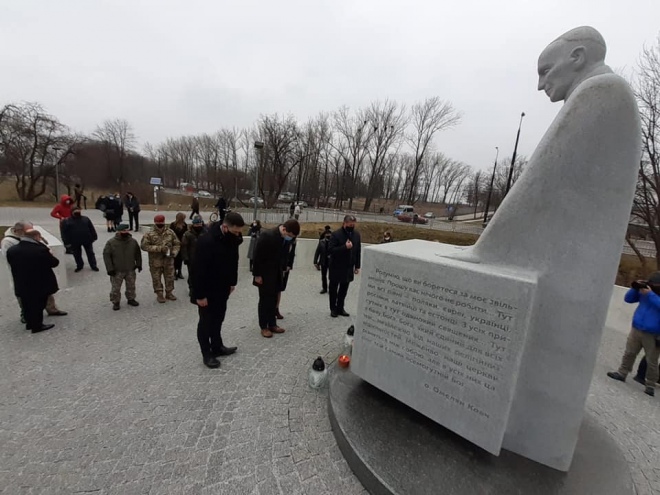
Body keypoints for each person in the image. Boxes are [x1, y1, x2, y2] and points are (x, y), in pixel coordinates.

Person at [191, 212, 244, 368]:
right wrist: (199, 295)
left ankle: (217, 346)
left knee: (219, 318)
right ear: (225, 227)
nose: (238, 234)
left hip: (223, 288)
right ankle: (207, 354)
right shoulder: (206, 241)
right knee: (206, 322)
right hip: (207, 290)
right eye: (236, 231)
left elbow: (234, 260)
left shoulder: (232, 238)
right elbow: (197, 270)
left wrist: (232, 282)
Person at [2, 222, 67, 322]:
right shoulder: (8, 241)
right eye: (28, 230)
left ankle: (51, 308)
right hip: (22, 272)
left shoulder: (31, 237)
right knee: (24, 294)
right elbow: (10, 257)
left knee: (45, 289)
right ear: (19, 231)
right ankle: (25, 314)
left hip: (38, 270)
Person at [607, 273, 660, 397]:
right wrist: (635, 289)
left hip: (653, 333)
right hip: (637, 328)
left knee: (651, 360)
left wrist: (650, 295)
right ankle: (622, 373)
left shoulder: (651, 295)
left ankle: (650, 385)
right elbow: (628, 299)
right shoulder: (644, 293)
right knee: (629, 352)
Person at [252, 219, 300, 338]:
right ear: (284, 229)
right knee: (264, 300)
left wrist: (285, 267)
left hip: (277, 272)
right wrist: (257, 275)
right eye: (289, 235)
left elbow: (285, 254)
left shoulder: (286, 238)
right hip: (264, 273)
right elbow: (257, 256)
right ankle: (264, 326)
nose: (290, 238)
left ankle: (272, 323)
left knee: (274, 299)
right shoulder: (267, 235)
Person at [140, 214, 180, 303]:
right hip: (155, 261)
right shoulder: (149, 234)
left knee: (170, 278)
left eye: (161, 222)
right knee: (156, 278)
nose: (160, 224)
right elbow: (144, 246)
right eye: (158, 223)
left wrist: (174, 252)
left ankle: (169, 293)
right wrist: (158, 248)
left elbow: (177, 244)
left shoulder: (170, 232)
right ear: (155, 222)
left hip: (168, 260)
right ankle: (159, 294)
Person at [103, 223, 142, 310]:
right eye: (124, 230)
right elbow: (106, 256)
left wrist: (139, 264)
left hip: (130, 269)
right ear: (119, 231)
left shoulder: (133, 241)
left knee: (131, 286)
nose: (126, 232)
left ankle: (131, 298)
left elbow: (137, 253)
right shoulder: (111, 242)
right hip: (117, 270)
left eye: (127, 230)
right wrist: (109, 268)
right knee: (115, 288)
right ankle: (116, 302)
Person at [328, 215, 361, 318]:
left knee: (344, 290)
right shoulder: (336, 234)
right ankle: (333, 308)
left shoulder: (356, 235)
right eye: (350, 225)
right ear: (344, 223)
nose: (352, 226)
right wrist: (344, 247)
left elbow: (358, 250)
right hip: (336, 266)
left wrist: (357, 266)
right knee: (333, 289)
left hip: (348, 267)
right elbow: (331, 250)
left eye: (353, 225)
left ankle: (340, 307)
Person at [62, 207, 99, 272]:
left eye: (78, 211)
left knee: (90, 253)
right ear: (72, 213)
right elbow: (64, 233)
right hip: (74, 241)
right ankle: (79, 265)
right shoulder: (67, 221)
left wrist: (94, 236)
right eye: (75, 211)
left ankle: (93, 265)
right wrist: (66, 242)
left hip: (87, 239)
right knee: (77, 254)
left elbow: (91, 228)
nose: (77, 212)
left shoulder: (86, 219)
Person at [181, 215, 207, 300]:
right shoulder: (188, 234)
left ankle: (202, 289)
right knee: (192, 275)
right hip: (192, 259)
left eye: (200, 224)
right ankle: (192, 289)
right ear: (193, 224)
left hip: (204, 258)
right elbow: (184, 246)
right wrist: (185, 258)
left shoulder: (206, 232)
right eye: (197, 224)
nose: (198, 226)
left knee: (203, 275)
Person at [169, 212, 187, 280]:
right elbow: (170, 234)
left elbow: (186, 234)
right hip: (174, 244)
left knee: (180, 259)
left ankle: (179, 272)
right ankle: (174, 272)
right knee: (174, 258)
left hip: (181, 244)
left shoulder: (184, 225)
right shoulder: (172, 225)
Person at [314, 229, 332, 294]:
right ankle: (324, 288)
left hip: (331, 261)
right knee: (323, 275)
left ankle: (331, 289)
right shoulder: (321, 242)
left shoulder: (333, 242)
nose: (328, 236)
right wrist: (315, 261)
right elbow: (317, 252)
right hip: (323, 261)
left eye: (329, 234)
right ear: (324, 235)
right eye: (327, 234)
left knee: (331, 276)